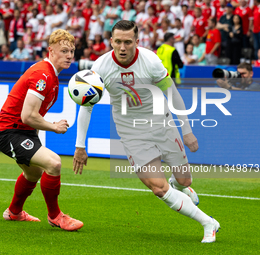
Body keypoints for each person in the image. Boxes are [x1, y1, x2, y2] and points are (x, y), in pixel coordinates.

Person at [73, 20, 220, 243]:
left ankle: (180, 188)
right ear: (111, 41)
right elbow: (87, 107)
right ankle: (208, 223)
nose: (122, 47)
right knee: (158, 188)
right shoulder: (100, 67)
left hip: (162, 123)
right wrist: (80, 145)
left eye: (128, 42)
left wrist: (187, 130)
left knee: (185, 180)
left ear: (137, 42)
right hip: (131, 133)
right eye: (118, 42)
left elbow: (172, 93)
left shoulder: (150, 60)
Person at [0, 29, 83, 231]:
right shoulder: (43, 75)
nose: (69, 56)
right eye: (64, 51)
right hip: (9, 131)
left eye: (72, 51)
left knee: (34, 173)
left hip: (23, 131)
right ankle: (56, 216)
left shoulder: (50, 74)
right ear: (51, 51)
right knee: (54, 163)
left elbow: (30, 117)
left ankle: (14, 212)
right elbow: (28, 116)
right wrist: (54, 127)